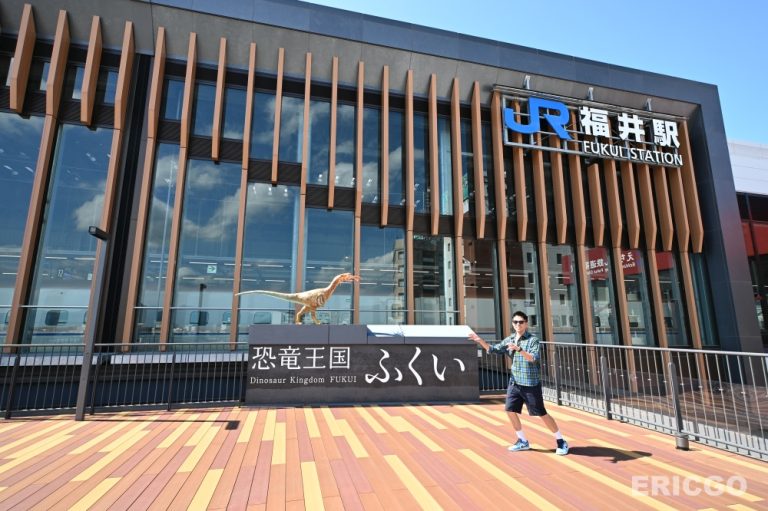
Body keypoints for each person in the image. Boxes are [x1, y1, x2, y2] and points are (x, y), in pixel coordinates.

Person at [468, 311, 569, 455]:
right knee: (510, 411)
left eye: (521, 322)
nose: (518, 324)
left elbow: (532, 358)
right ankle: (522, 441)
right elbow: (493, 349)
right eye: (515, 322)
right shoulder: (510, 339)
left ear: (526, 324)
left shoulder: (533, 340)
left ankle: (561, 441)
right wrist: (479, 340)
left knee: (541, 413)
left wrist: (519, 349)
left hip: (530, 383)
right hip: (515, 383)